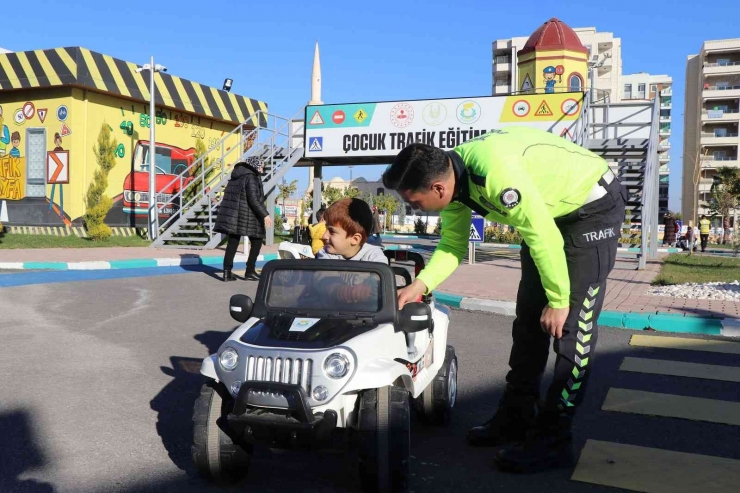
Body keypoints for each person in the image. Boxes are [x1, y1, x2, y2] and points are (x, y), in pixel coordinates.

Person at [382, 126, 626, 474]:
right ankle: (516, 415)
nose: (413, 207)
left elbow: (541, 236)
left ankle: (554, 440)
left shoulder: (496, 176)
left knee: (571, 328)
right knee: (528, 319)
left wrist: (559, 301)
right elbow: (452, 245)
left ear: (437, 188)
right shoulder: (454, 182)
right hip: (550, 215)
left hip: (591, 208)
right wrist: (420, 284)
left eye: (413, 201)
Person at [213, 157, 273, 282]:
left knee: (232, 243)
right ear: (254, 166)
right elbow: (253, 199)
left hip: (234, 215)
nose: (262, 169)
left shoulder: (237, 175)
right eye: (261, 166)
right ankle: (250, 271)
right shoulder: (251, 177)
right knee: (257, 241)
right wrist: (265, 214)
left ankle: (227, 272)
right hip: (247, 215)